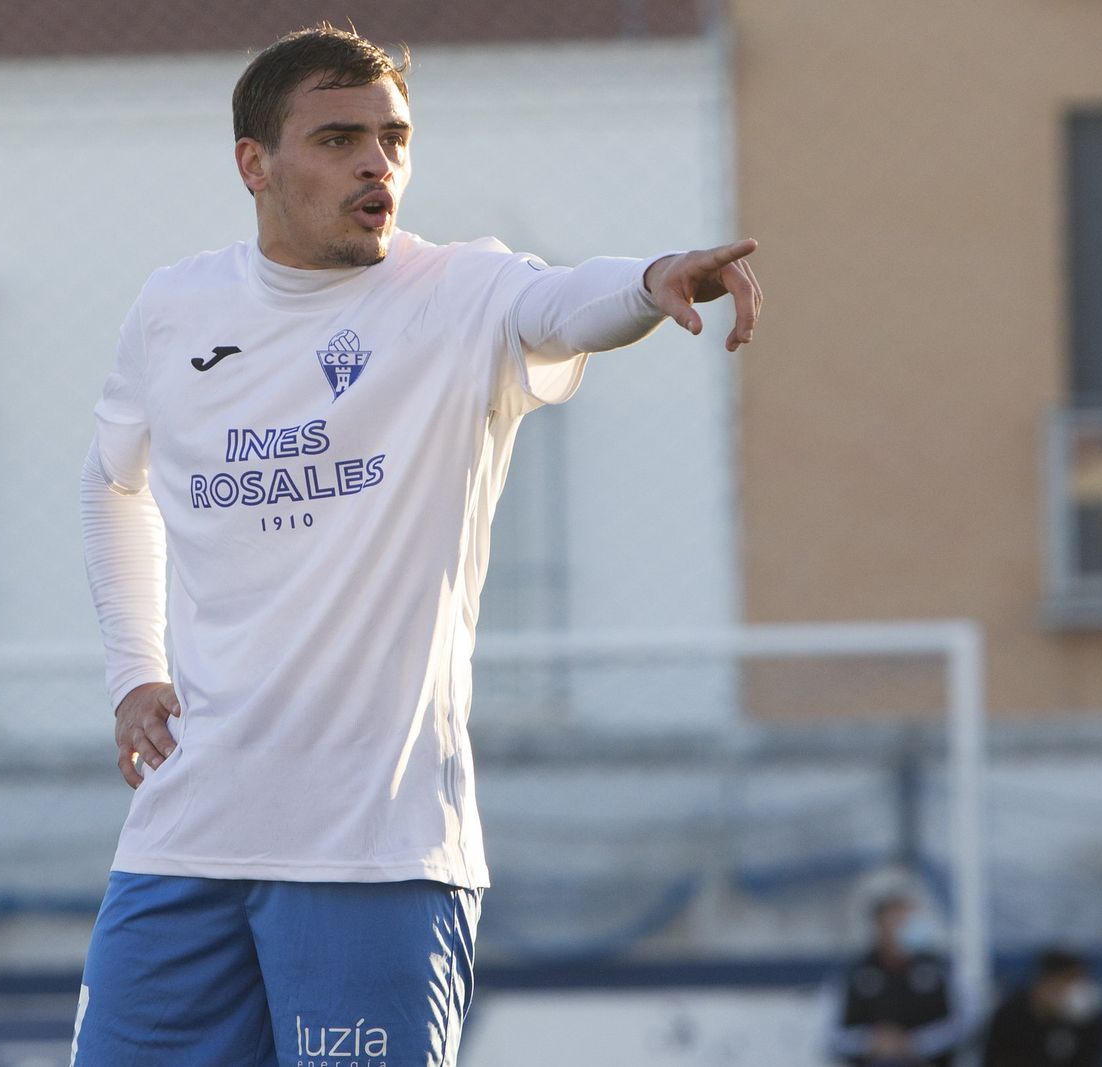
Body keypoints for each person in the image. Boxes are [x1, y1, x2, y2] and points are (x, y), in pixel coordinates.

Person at [72, 22, 761, 1066]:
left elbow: (560, 299)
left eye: (392, 138)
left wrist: (651, 279)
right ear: (254, 164)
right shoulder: (175, 309)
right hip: (183, 840)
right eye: (338, 137)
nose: (375, 163)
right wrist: (136, 668)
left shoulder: (458, 293)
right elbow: (112, 480)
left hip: (377, 853)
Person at [828, 892, 966, 1066]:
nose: (908, 928)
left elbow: (961, 1025)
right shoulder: (854, 972)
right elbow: (833, 1035)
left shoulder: (939, 968)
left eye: (911, 921)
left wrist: (915, 1043)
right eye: (898, 922)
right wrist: (870, 1042)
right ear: (879, 927)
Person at [982, 948, 1102, 1067]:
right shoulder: (1010, 1017)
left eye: (1081, 981)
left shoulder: (1088, 1021)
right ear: (1045, 982)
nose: (1076, 989)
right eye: (1069, 980)